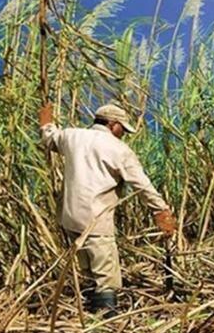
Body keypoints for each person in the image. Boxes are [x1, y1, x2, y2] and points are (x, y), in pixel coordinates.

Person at [38, 102, 176, 314]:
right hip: (96, 219)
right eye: (122, 128)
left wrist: (46, 122)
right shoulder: (119, 149)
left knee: (87, 270)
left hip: (70, 217)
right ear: (113, 125)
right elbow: (141, 184)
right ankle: (106, 322)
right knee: (106, 276)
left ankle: (89, 314)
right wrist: (161, 210)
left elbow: (50, 138)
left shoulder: (71, 136)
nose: (124, 134)